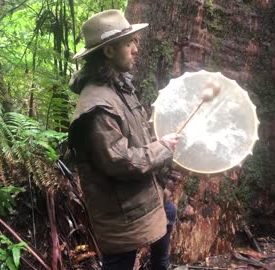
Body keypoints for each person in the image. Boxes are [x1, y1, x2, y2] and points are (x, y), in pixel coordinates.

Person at [67, 9, 179, 270]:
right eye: (129, 43)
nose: (136, 49)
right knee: (119, 263)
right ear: (108, 52)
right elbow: (120, 161)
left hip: (141, 197)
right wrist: (162, 149)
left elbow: (136, 135)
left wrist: (161, 148)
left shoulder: (118, 87)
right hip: (122, 212)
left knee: (169, 214)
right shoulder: (96, 105)